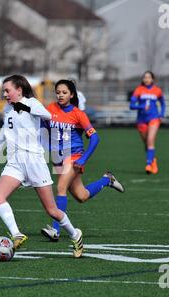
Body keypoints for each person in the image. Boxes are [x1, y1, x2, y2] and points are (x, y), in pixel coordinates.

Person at [0, 75, 84, 258]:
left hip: (34, 161)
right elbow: (5, 130)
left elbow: (48, 115)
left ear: (19, 90)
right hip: (15, 162)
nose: (5, 94)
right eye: (3, 91)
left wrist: (23, 107)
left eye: (7, 90)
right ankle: (17, 234)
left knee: (52, 210)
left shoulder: (31, 103)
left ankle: (75, 234)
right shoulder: (8, 109)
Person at [39, 80, 125, 242]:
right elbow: (42, 128)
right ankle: (107, 180)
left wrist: (84, 159)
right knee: (81, 196)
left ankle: (55, 230)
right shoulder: (50, 109)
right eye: (58, 92)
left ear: (72, 95)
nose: (60, 95)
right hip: (58, 157)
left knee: (61, 187)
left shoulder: (78, 114)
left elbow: (95, 137)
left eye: (64, 92)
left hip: (75, 156)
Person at [129, 71, 166, 175]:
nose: (146, 79)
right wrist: (141, 107)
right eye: (145, 77)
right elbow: (131, 106)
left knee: (150, 140)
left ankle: (148, 164)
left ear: (152, 79)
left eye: (149, 77)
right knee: (146, 143)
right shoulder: (138, 90)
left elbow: (163, 103)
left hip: (154, 118)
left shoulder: (157, 90)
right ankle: (153, 160)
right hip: (141, 120)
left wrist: (161, 114)